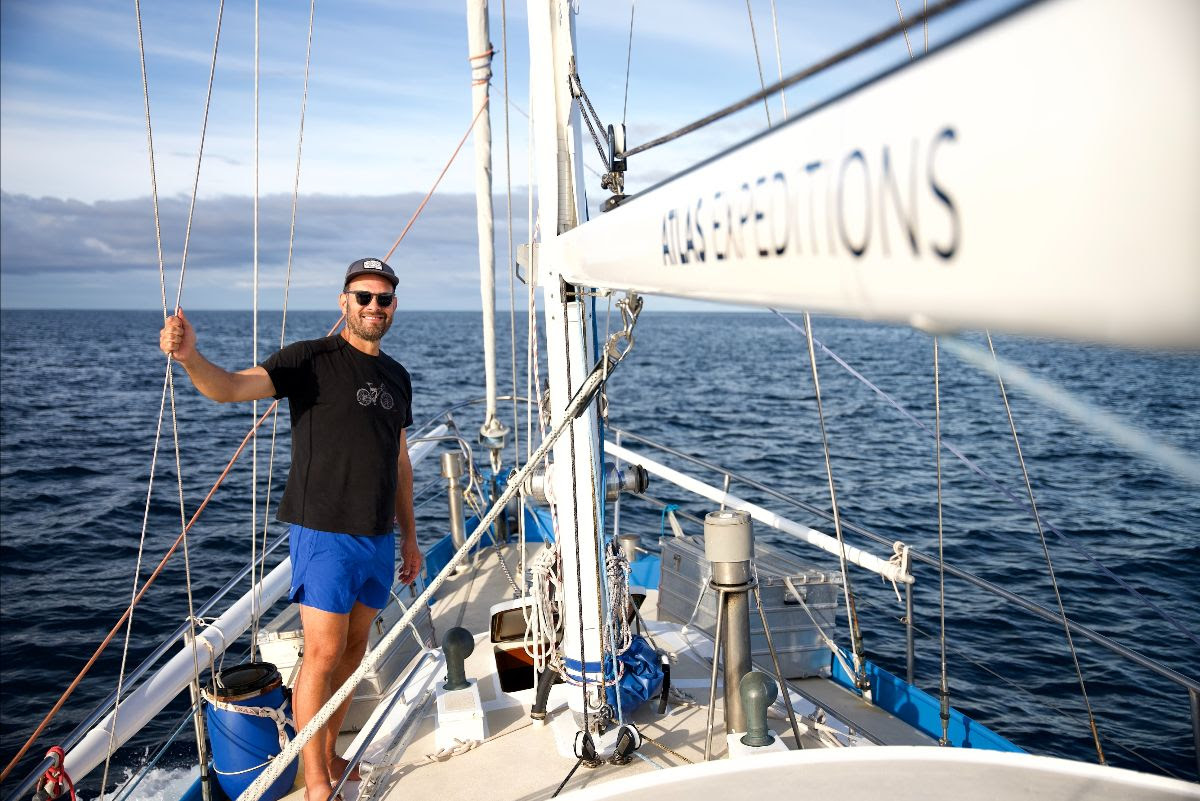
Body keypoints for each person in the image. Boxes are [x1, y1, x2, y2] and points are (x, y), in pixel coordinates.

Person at [159, 257, 422, 801]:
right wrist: (190, 359)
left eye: (384, 298)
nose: (374, 306)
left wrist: (410, 536)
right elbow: (231, 388)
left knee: (354, 650)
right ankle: (315, 779)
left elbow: (399, 461)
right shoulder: (311, 359)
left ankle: (329, 753)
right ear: (344, 302)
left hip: (377, 537)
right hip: (324, 533)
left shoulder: (398, 376)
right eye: (364, 296)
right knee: (323, 654)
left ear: (394, 306)